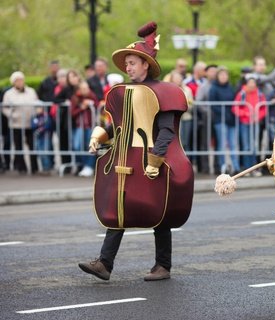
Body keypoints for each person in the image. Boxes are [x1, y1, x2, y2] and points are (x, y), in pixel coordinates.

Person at [79, 21, 193, 282]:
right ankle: (104, 263)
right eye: (126, 63)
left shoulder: (164, 92)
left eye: (132, 62)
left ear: (145, 64)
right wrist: (99, 135)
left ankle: (163, 266)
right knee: (118, 206)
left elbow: (166, 130)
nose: (127, 67)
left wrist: (156, 159)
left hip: (151, 158)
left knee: (158, 210)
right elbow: (116, 124)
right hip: (123, 156)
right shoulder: (124, 92)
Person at [1, 71, 39, 174]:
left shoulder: (31, 91)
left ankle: (34, 168)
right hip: (16, 124)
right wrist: (12, 115)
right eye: (17, 80)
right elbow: (4, 108)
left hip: (30, 123)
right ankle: (21, 168)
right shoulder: (9, 94)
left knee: (32, 145)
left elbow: (37, 103)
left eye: (21, 80)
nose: (20, 82)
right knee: (18, 146)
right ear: (13, 82)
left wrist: (36, 113)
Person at [233, 75, 267, 175]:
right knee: (246, 146)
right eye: (250, 82)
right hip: (245, 123)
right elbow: (235, 107)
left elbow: (264, 108)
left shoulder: (260, 94)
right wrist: (245, 114)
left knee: (254, 146)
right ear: (246, 84)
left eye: (253, 83)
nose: (252, 85)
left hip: (255, 123)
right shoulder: (242, 93)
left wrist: (259, 116)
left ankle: (254, 168)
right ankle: (247, 169)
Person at [209, 66, 239, 175]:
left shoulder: (230, 87)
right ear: (217, 76)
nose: (223, 77)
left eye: (225, 75)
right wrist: (224, 113)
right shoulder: (213, 88)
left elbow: (235, 101)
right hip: (219, 119)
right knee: (221, 144)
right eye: (221, 75)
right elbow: (213, 104)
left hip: (231, 119)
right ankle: (223, 167)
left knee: (233, 144)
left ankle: (235, 166)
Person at [70, 81, 99, 177]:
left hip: (90, 126)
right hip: (79, 126)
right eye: (83, 89)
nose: (85, 91)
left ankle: (89, 166)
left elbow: (98, 105)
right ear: (79, 90)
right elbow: (72, 113)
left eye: (86, 88)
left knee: (91, 146)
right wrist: (82, 108)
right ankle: (84, 165)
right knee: (77, 146)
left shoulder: (92, 95)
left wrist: (91, 103)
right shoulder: (75, 98)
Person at [195, 64, 218, 174]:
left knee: (218, 142)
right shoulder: (203, 86)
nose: (213, 73)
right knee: (205, 143)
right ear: (206, 73)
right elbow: (198, 101)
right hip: (206, 118)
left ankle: (217, 167)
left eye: (215, 71)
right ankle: (205, 167)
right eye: (211, 71)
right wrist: (208, 111)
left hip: (218, 118)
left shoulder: (219, 85)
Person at [31, 106, 54, 174]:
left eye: (39, 107)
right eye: (36, 108)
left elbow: (48, 125)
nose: (38, 109)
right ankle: (44, 168)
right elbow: (33, 125)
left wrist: (40, 128)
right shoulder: (34, 117)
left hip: (46, 137)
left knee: (46, 153)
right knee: (40, 153)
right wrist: (40, 124)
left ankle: (47, 168)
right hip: (38, 138)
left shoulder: (47, 116)